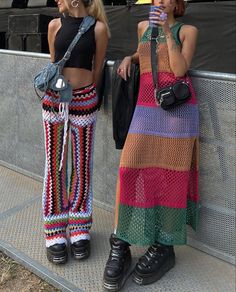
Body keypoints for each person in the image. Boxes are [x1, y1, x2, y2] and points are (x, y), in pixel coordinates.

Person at [103, 0, 199, 290]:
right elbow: (146, 55)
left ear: (177, 3)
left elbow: (180, 69)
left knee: (169, 177)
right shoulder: (143, 26)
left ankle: (164, 245)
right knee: (128, 169)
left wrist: (168, 31)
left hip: (177, 111)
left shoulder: (187, 30)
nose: (161, 1)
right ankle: (120, 241)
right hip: (146, 109)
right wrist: (129, 59)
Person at [41, 0, 109, 264]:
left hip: (85, 99)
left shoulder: (98, 28)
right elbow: (53, 62)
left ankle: (80, 226)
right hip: (54, 98)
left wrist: (94, 98)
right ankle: (54, 228)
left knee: (82, 164)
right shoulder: (54, 25)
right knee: (54, 163)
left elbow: (98, 67)